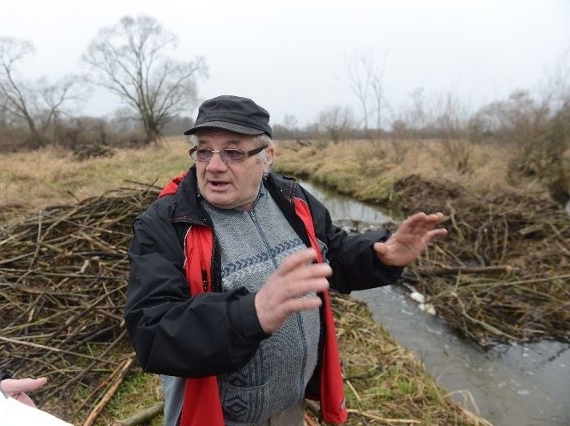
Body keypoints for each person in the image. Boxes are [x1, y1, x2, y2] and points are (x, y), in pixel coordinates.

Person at [124, 95, 447, 426]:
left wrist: (381, 257)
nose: (214, 165)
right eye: (204, 151)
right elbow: (151, 331)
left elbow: (330, 253)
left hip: (290, 407)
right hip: (220, 417)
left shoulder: (292, 200)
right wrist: (252, 313)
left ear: (267, 158)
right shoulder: (167, 223)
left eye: (233, 152)